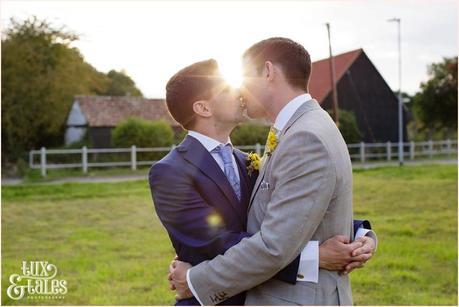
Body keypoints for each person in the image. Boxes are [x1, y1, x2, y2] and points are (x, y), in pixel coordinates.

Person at [169, 38, 376, 306]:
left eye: (244, 78)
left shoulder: (304, 137)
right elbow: (298, 205)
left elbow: (274, 247)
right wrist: (359, 236)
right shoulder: (303, 127)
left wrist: (195, 280)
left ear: (268, 72)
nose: (240, 91)